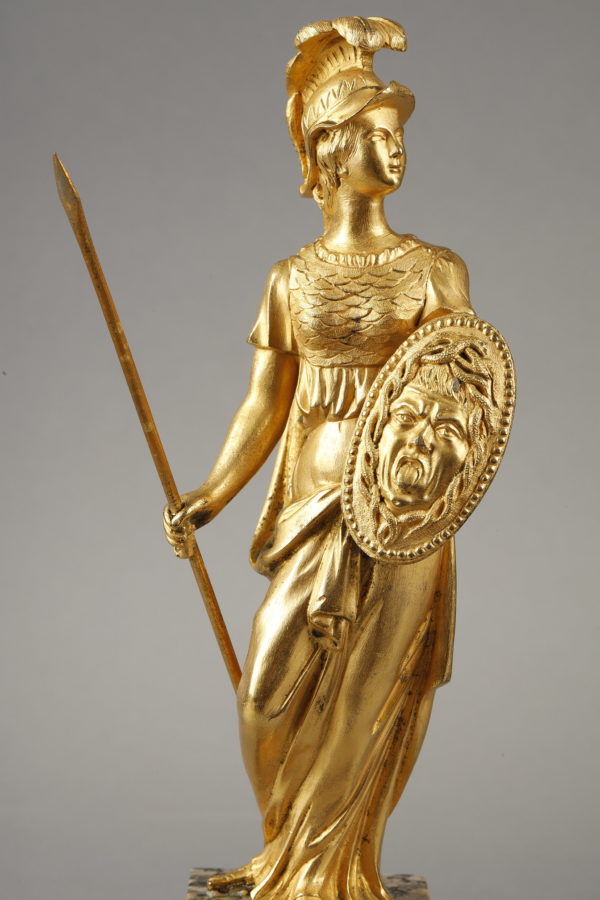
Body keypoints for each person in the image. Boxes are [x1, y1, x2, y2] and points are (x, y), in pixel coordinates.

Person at [165, 17, 474, 900]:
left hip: (403, 514)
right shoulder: (289, 279)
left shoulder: (435, 270)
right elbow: (263, 404)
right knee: (266, 694)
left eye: (399, 133)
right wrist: (210, 495)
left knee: (372, 699)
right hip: (310, 506)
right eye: (377, 132)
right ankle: (284, 855)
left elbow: (461, 394)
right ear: (332, 150)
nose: (396, 147)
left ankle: (340, 870)